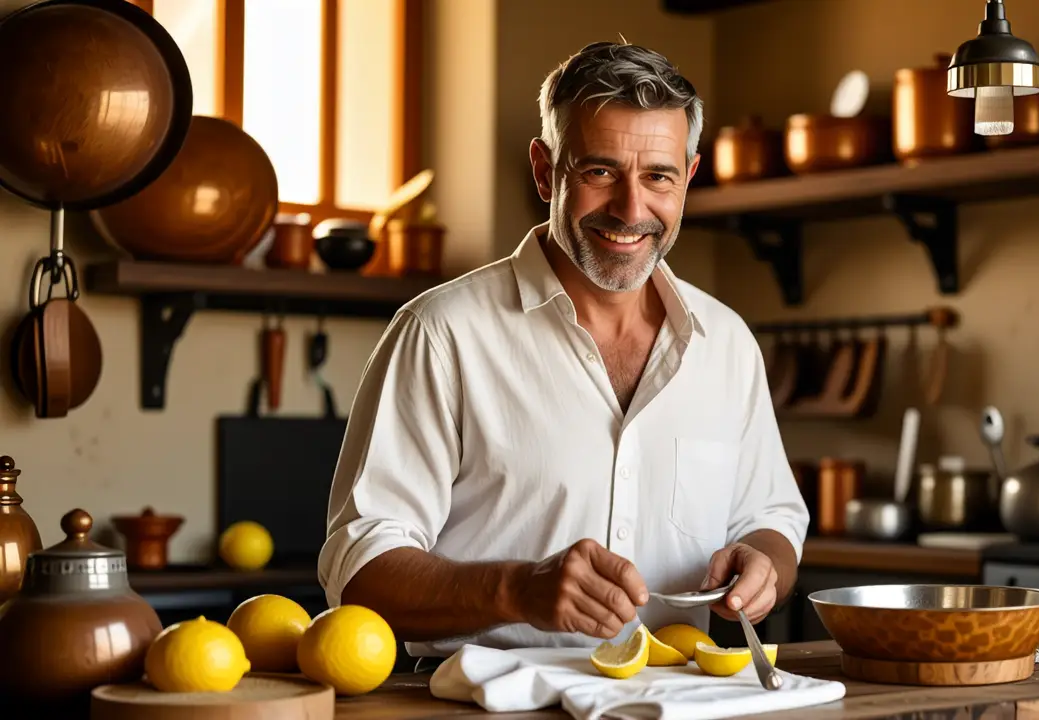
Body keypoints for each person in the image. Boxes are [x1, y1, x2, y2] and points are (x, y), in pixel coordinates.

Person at [317, 40, 808, 664]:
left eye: (658, 176)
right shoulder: (441, 333)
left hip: (679, 697)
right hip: (475, 707)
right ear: (545, 169)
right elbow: (359, 573)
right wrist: (516, 590)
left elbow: (771, 519)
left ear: (687, 176)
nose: (632, 210)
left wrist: (765, 564)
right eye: (599, 171)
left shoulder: (729, 343)